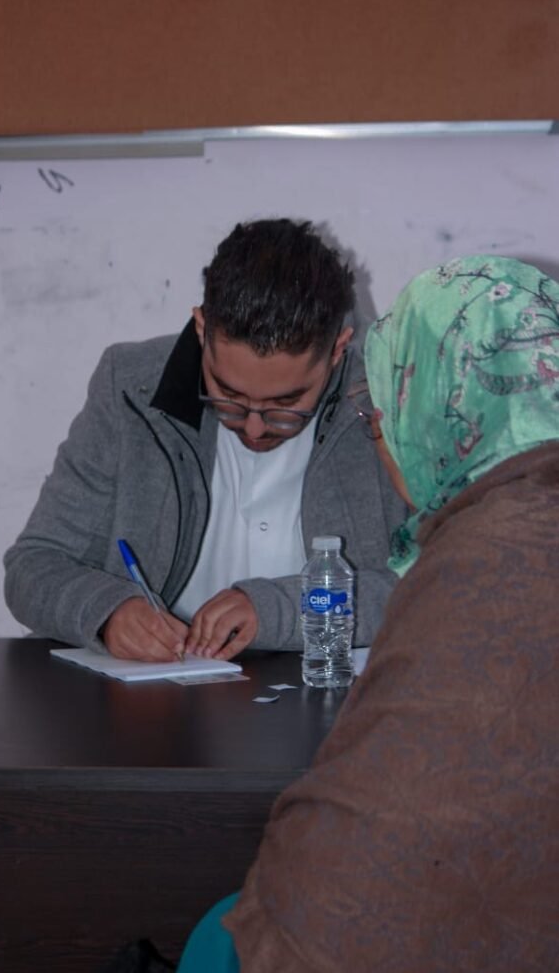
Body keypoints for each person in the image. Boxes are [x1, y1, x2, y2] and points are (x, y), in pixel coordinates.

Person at [177, 255, 559, 971]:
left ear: (439, 408)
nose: (381, 440)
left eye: (382, 417)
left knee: (219, 936)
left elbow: (354, 871)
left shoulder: (488, 561)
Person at [4, 218, 406, 661]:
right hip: (160, 693)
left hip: (330, 687)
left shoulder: (389, 405)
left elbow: (428, 584)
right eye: (228, 395)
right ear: (201, 329)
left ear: (338, 350)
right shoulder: (132, 389)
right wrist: (108, 612)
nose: (254, 428)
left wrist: (278, 610)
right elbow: (33, 566)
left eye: (286, 403)